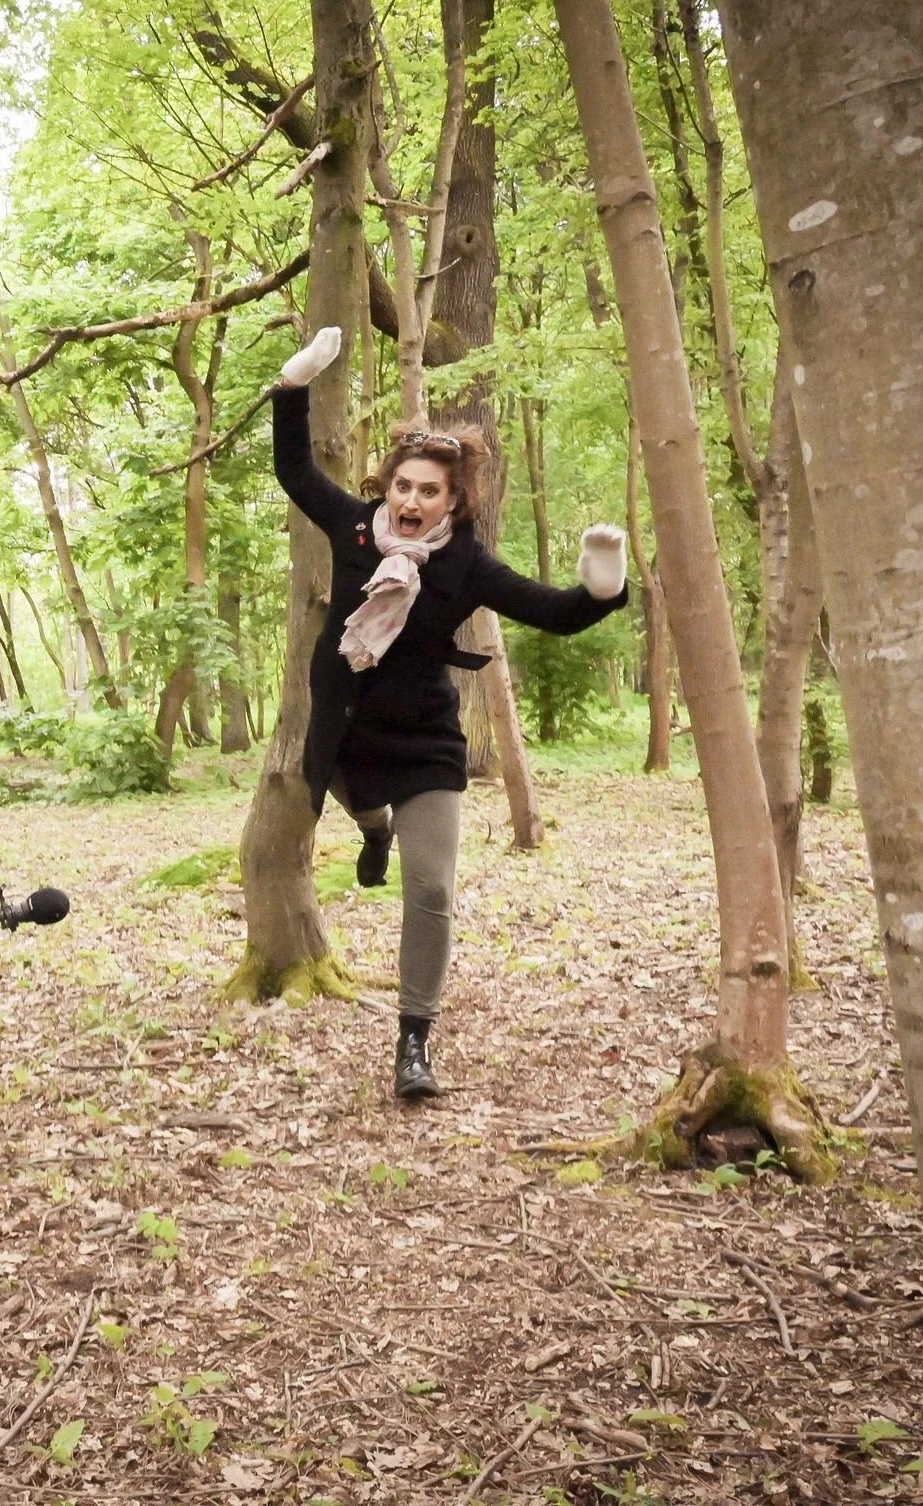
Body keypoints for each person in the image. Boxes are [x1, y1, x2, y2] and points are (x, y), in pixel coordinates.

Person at [272, 327, 630, 1099]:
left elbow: (555, 612)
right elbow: (294, 469)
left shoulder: (465, 562)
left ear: (451, 500)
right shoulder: (354, 528)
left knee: (430, 889)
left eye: (428, 491)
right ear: (387, 485)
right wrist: (294, 386)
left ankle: (413, 1042)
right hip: (347, 734)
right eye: (403, 486)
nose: (411, 501)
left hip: (427, 744)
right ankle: (373, 831)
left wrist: (602, 587)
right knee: (351, 800)